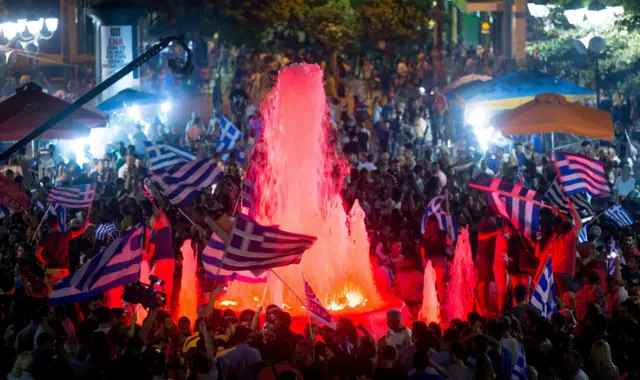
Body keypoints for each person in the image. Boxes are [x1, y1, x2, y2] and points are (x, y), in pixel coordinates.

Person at [36, 214, 90, 292]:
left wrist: (43, 261)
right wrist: (86, 222)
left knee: (52, 296)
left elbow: (37, 252)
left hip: (51, 269)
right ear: (57, 223)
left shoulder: (46, 238)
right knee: (64, 294)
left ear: (47, 224)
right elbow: (80, 231)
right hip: (63, 269)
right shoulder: (64, 236)